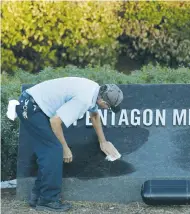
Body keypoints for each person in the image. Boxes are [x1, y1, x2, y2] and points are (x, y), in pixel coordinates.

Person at [15, 77, 124, 212]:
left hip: (33, 105)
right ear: (102, 100)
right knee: (54, 151)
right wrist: (65, 149)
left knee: (48, 153)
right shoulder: (84, 99)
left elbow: (94, 115)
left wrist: (103, 142)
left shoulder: (94, 90)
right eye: (108, 107)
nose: (107, 109)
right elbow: (55, 122)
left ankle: (37, 197)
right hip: (31, 108)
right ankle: (48, 201)